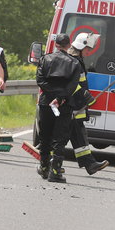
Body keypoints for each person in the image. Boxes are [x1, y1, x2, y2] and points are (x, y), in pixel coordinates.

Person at [35, 33, 80, 182]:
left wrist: (52, 95)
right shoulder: (74, 63)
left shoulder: (45, 59)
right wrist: (60, 97)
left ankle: (44, 167)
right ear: (68, 45)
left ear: (56, 44)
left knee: (45, 136)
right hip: (64, 104)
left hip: (46, 102)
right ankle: (55, 171)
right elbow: (73, 85)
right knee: (59, 138)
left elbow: (40, 80)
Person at [65, 32, 109, 175]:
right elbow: (69, 84)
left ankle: (90, 164)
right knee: (63, 136)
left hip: (76, 105)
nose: (89, 52)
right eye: (88, 49)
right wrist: (85, 95)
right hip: (70, 104)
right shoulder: (72, 61)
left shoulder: (77, 60)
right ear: (80, 47)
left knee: (78, 135)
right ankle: (46, 159)